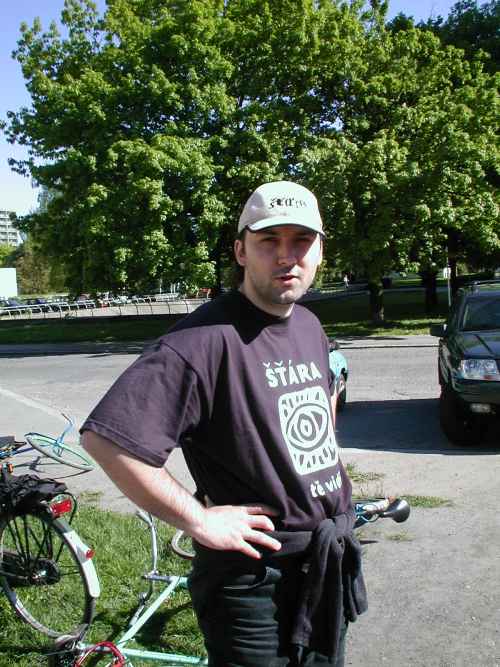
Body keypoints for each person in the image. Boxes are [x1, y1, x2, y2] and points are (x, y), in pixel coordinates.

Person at [80, 181, 367, 667]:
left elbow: (321, 406)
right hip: (254, 580)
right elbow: (109, 440)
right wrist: (199, 520)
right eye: (269, 241)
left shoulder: (308, 325)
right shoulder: (198, 342)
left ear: (320, 250)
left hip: (323, 562)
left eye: (301, 240)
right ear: (240, 251)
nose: (287, 256)